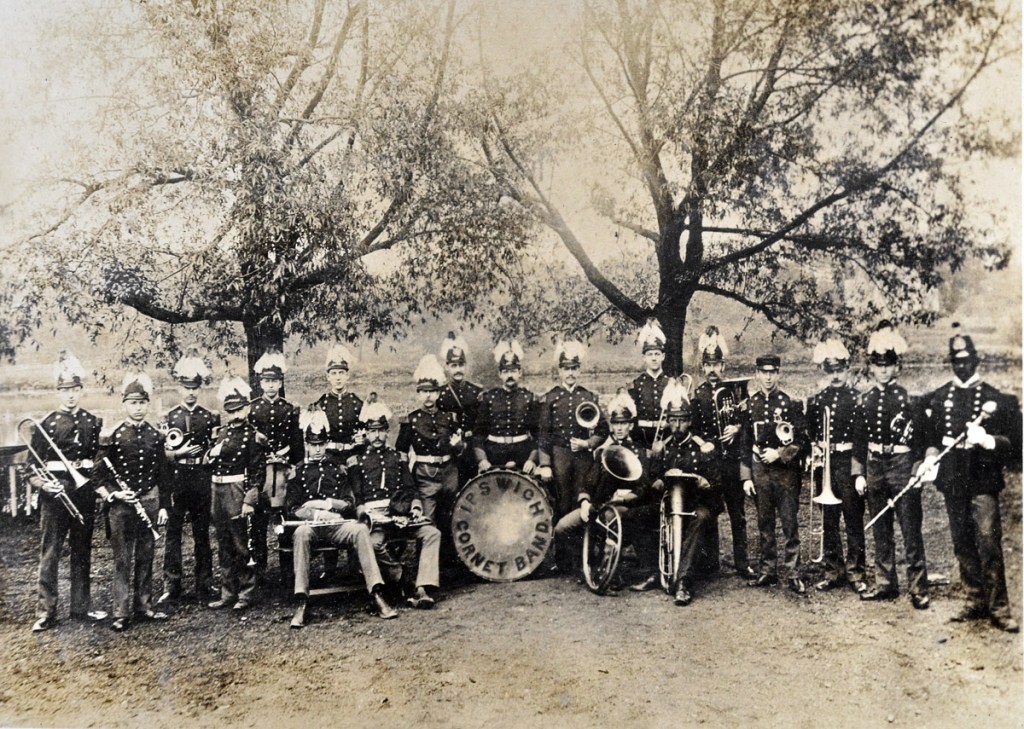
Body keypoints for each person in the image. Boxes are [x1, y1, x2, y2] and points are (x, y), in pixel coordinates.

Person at [918, 325, 1021, 631]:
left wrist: (988, 440)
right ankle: (974, 599)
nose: (961, 365)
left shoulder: (995, 399)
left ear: (976, 360)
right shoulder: (940, 398)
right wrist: (929, 457)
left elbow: (1015, 445)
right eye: (956, 360)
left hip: (982, 479)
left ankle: (999, 607)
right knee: (962, 541)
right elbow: (931, 437)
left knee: (988, 541)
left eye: (966, 360)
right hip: (953, 479)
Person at [285, 408, 396, 628]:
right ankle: (301, 601)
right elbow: (292, 508)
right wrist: (317, 513)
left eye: (321, 444)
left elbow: (349, 503)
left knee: (360, 530)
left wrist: (328, 504)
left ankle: (376, 593)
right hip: (311, 526)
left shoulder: (337, 469)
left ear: (326, 444)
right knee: (300, 534)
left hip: (337, 525)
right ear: (307, 445)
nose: (318, 449)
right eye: (313, 445)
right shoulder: (297, 471)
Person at [27, 351, 107, 632]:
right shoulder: (45, 424)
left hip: (83, 494)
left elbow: (97, 461)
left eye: (75, 389)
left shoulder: (92, 422)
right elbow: (30, 469)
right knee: (50, 552)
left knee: (82, 550)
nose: (70, 395)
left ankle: (81, 608)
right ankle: (46, 611)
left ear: (81, 390)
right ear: (58, 392)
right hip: (54, 495)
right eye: (65, 390)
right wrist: (43, 484)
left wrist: (98, 488)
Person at [854, 321, 930, 610]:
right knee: (880, 527)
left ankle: (918, 588)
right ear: (871, 367)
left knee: (910, 527)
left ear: (897, 367)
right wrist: (859, 473)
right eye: (878, 365)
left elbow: (921, 440)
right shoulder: (865, 400)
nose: (883, 370)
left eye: (888, 365)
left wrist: (916, 469)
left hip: (901, 463)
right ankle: (885, 584)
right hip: (875, 465)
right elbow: (859, 441)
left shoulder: (909, 399)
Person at [91, 372, 170, 632]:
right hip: (121, 506)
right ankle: (121, 612)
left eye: (142, 403)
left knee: (146, 555)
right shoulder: (112, 435)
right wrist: (115, 494)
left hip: (148, 501)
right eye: (133, 403)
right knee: (122, 559)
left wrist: (163, 506)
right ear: (125, 404)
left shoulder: (156, 436)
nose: (138, 408)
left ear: (148, 404)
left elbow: (163, 475)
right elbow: (97, 476)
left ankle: (144, 606)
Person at [349, 401, 443, 609]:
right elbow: (357, 496)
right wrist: (364, 514)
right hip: (374, 518)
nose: (377, 436)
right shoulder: (357, 460)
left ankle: (423, 586)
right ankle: (404, 579)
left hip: (400, 515)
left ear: (387, 432)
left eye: (381, 431)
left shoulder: (398, 457)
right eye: (372, 432)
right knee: (373, 544)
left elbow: (411, 489)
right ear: (366, 433)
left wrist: (415, 508)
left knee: (432, 533)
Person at [553, 392, 650, 579]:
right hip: (598, 505)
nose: (619, 428)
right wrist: (584, 502)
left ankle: (609, 574)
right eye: (616, 424)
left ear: (630, 425)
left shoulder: (640, 453)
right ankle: (584, 566)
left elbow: (643, 487)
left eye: (623, 423)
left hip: (623, 507)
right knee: (562, 527)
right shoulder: (602, 453)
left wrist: (624, 498)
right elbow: (588, 482)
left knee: (610, 520)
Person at [741, 355, 809, 594]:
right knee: (764, 522)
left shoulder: (790, 404)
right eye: (764, 372)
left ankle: (793, 573)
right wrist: (746, 477)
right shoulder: (750, 405)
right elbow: (745, 443)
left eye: (772, 372)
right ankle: (768, 570)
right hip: (760, 471)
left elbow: (802, 440)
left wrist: (779, 453)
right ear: (757, 374)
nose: (768, 377)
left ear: (778, 374)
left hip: (785, 473)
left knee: (790, 523)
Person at [805, 334, 867, 594]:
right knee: (829, 521)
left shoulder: (857, 399)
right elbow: (811, 432)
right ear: (824, 370)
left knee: (853, 519)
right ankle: (833, 571)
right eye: (831, 370)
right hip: (826, 464)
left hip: (848, 462)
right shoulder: (817, 401)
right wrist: (816, 448)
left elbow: (861, 439)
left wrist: (859, 471)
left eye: (840, 369)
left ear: (847, 368)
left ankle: (856, 572)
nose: (836, 375)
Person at [647, 389, 720, 606]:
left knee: (700, 518)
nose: (677, 426)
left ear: (689, 421)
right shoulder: (662, 447)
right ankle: (655, 571)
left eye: (681, 421)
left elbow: (717, 482)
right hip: (670, 504)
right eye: (673, 420)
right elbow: (652, 478)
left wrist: (705, 482)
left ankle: (683, 582)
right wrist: (658, 481)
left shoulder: (702, 447)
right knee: (643, 515)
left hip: (698, 503)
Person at [690, 326, 753, 579]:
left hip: (732, 461)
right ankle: (710, 563)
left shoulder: (735, 391)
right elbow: (693, 430)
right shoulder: (698, 395)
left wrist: (736, 428)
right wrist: (702, 444)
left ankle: (742, 563)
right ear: (703, 367)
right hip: (711, 463)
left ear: (723, 366)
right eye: (708, 365)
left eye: (716, 364)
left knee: (738, 514)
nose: (712, 370)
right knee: (711, 512)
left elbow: (747, 421)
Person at [158, 353, 219, 605]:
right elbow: (161, 454)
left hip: (201, 478)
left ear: (199, 389)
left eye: (194, 388)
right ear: (179, 388)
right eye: (186, 388)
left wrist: (208, 457)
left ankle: (204, 583)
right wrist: (177, 454)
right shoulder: (169, 417)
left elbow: (215, 447)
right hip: (177, 479)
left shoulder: (210, 417)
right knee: (173, 533)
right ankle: (172, 585)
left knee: (201, 532)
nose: (190, 393)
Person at [205, 376, 267, 612]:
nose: (236, 415)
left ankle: (246, 592)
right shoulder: (220, 433)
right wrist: (212, 453)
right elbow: (206, 462)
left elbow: (258, 471)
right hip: (217, 490)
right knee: (223, 543)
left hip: (237, 489)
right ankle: (227, 592)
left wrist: (250, 499)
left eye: (240, 410)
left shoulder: (253, 436)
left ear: (247, 409)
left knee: (242, 543)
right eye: (231, 411)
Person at [248, 351, 304, 580]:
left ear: (280, 383)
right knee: (259, 522)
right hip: (261, 472)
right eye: (266, 381)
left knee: (284, 519)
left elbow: (296, 442)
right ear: (260, 383)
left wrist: (295, 466)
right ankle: (260, 570)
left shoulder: (289, 409)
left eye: (274, 381)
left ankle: (287, 570)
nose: (270, 385)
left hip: (283, 470)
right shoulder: (252, 409)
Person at [537, 341, 607, 520]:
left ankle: (584, 536)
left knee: (583, 497)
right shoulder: (550, 397)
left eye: (574, 368)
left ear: (579, 370)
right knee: (562, 500)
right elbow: (543, 435)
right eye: (566, 369)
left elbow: (603, 429)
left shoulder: (588, 396)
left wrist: (587, 443)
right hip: (559, 456)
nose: (570, 373)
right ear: (560, 371)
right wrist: (545, 464)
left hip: (583, 458)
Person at [395, 354, 464, 527]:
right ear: (418, 394)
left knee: (451, 517)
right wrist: (408, 477)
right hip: (425, 475)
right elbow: (401, 453)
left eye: (432, 391)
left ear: (438, 393)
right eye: (424, 391)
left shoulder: (449, 418)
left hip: (449, 474)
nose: (428, 396)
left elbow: (459, 447)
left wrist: (458, 446)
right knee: (427, 521)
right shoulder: (410, 420)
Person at [473, 340, 539, 474]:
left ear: (520, 372)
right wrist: (482, 459)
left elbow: (539, 435)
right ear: (500, 374)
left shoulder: (529, 398)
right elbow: (478, 435)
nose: (510, 375)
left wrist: (532, 459)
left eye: (513, 371)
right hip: (493, 457)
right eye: (506, 371)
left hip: (522, 457)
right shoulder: (488, 398)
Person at [436, 332, 484, 486]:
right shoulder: (440, 394)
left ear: (465, 366)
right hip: (449, 449)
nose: (458, 369)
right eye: (454, 365)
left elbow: (481, 424)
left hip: (472, 447)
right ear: (447, 367)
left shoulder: (476, 391)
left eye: (461, 365)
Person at [312, 344, 364, 463]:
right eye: (334, 373)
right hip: (329, 457)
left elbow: (366, 432)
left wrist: (362, 439)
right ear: (328, 377)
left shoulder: (356, 403)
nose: (338, 378)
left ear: (347, 375)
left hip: (352, 455)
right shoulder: (321, 404)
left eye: (341, 373)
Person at [627, 320, 670, 451]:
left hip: (667, 439)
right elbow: (631, 417)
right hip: (641, 439)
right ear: (644, 358)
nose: (654, 358)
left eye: (657, 354)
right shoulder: (636, 384)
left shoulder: (671, 383)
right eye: (650, 354)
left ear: (663, 356)